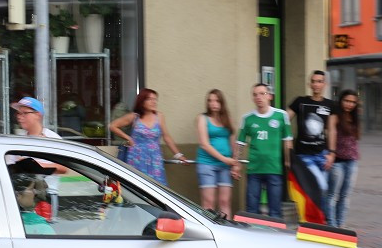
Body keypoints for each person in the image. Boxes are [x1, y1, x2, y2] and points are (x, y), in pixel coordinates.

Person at [107, 89, 188, 185]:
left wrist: (178, 155)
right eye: (150, 99)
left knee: (157, 187)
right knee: (137, 186)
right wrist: (128, 138)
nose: (154, 102)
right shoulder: (134, 117)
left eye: (155, 99)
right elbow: (112, 126)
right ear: (142, 101)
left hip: (155, 158)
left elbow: (166, 137)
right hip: (136, 157)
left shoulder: (159, 116)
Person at [237, 83, 293, 218]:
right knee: (252, 210)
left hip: (274, 169)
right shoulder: (247, 118)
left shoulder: (281, 115)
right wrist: (236, 163)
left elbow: (288, 140)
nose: (259, 97)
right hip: (254, 170)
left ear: (270, 96)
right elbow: (240, 143)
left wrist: (289, 162)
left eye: (262, 93)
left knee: (275, 211)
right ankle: (252, 237)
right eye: (255, 94)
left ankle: (275, 237)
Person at [287, 70, 337, 198]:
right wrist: (289, 143)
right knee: (322, 186)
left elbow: (331, 129)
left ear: (325, 84)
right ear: (309, 84)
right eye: (313, 81)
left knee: (320, 192)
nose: (316, 84)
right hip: (304, 154)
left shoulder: (330, 105)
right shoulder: (300, 102)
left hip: (323, 154)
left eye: (319, 82)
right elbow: (284, 121)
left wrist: (332, 153)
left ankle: (319, 218)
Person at [195, 88, 240, 217]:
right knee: (209, 203)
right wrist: (225, 159)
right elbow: (204, 144)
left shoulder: (227, 119)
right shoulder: (202, 118)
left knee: (225, 201)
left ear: (222, 103)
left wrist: (235, 163)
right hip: (207, 164)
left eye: (216, 101)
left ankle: (226, 230)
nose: (213, 104)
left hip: (225, 166)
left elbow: (233, 142)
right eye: (210, 101)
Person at [326, 89, 360, 228]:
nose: (349, 104)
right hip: (337, 160)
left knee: (345, 195)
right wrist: (332, 153)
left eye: (353, 102)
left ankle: (340, 226)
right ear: (341, 101)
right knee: (333, 195)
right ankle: (332, 226)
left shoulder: (354, 116)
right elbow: (331, 131)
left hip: (352, 159)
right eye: (347, 101)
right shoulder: (335, 115)